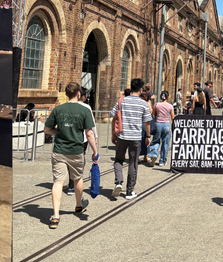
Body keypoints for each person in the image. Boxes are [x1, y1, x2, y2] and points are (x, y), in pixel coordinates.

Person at [43, 82, 98, 229]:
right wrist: (95, 150)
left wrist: (58, 132)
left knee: (58, 182)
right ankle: (78, 205)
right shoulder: (84, 110)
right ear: (79, 94)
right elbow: (89, 133)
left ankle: (55, 216)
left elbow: (47, 130)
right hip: (76, 150)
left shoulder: (58, 109)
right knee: (77, 178)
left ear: (66, 94)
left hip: (59, 150)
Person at [110, 79, 151, 200]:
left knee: (118, 159)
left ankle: (118, 182)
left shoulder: (121, 100)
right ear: (141, 89)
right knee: (133, 163)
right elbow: (147, 122)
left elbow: (114, 116)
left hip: (122, 136)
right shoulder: (143, 103)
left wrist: (113, 133)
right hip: (136, 137)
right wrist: (148, 136)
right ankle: (129, 191)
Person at [147, 91, 174, 167]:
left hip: (157, 124)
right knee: (165, 143)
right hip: (166, 125)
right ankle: (162, 161)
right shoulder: (170, 106)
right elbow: (172, 117)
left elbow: (153, 114)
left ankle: (154, 154)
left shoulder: (157, 105)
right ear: (167, 97)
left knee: (156, 141)